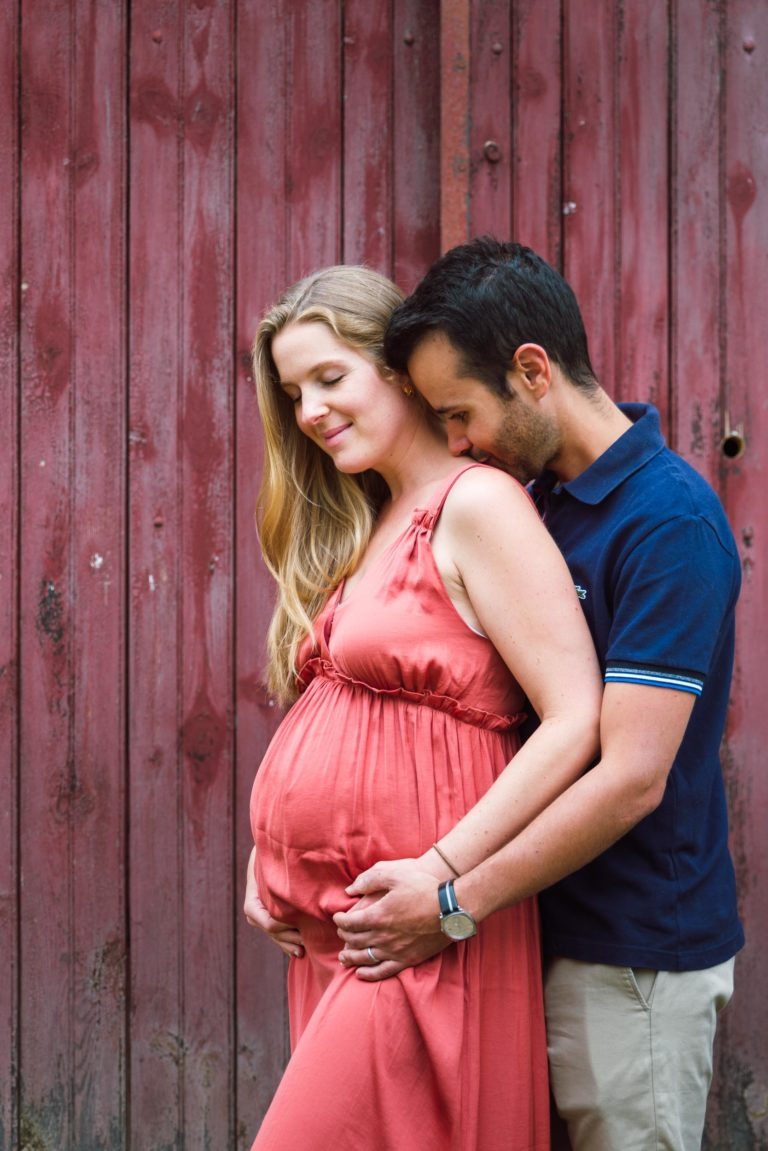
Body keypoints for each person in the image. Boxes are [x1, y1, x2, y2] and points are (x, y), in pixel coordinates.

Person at [333, 238, 744, 1151]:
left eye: (460, 413)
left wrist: (449, 903)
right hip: (532, 928)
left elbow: (630, 776)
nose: (455, 442)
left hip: (630, 958)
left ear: (531, 371)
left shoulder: (668, 522)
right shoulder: (543, 502)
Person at [243, 263, 603, 1150]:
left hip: (421, 931)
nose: (311, 411)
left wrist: (442, 876)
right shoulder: (376, 518)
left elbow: (574, 719)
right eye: (294, 393)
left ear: (400, 372)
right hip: (341, 927)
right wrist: (268, 853)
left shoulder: (476, 503)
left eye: (331, 377)